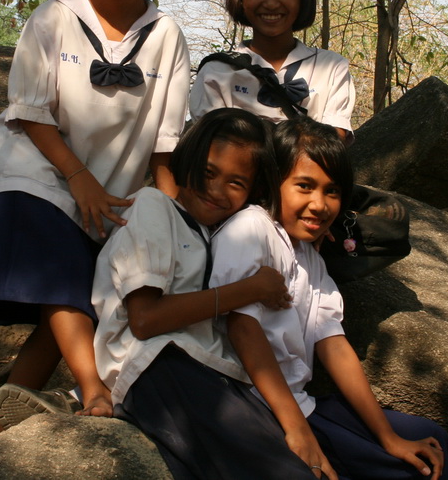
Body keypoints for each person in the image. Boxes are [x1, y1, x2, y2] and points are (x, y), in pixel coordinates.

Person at [0, 0, 190, 430]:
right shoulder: (53, 16)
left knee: (73, 304)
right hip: (36, 171)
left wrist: (173, 223)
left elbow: (166, 143)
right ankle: (95, 392)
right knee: (63, 280)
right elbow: (30, 111)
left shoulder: (166, 34)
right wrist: (78, 177)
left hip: (108, 193)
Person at [210, 116, 448, 480]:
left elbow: (333, 344)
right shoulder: (251, 228)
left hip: (302, 405)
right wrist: (297, 429)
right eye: (304, 186)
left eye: (331, 191)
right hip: (253, 406)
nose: (319, 204)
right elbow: (242, 327)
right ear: (271, 182)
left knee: (431, 441)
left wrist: (389, 438)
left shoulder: (310, 257)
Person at [92, 108, 321, 480]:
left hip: (210, 369)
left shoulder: (210, 232)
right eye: (208, 172)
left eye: (236, 182)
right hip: (158, 366)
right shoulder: (153, 206)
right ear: (187, 161)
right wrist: (250, 289)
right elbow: (145, 318)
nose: (216, 190)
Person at [190, 0, 356, 143]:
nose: (271, 3)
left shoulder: (331, 68)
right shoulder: (216, 72)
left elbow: (332, 145)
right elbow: (213, 147)